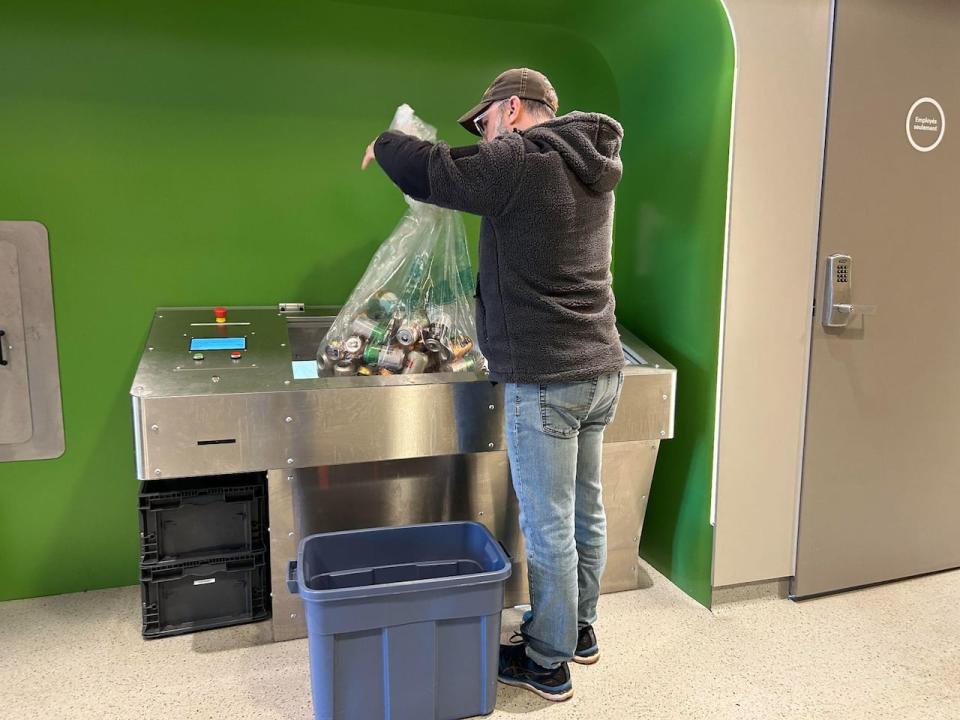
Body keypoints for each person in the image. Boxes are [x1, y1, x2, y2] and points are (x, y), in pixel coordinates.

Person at [361, 67, 624, 702]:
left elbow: (437, 171)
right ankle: (580, 630)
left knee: (549, 522)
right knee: (585, 508)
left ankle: (547, 660)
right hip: (601, 368)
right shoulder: (590, 163)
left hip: (546, 377)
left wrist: (387, 141)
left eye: (483, 123)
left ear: (511, 111)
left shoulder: (526, 160)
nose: (482, 136)